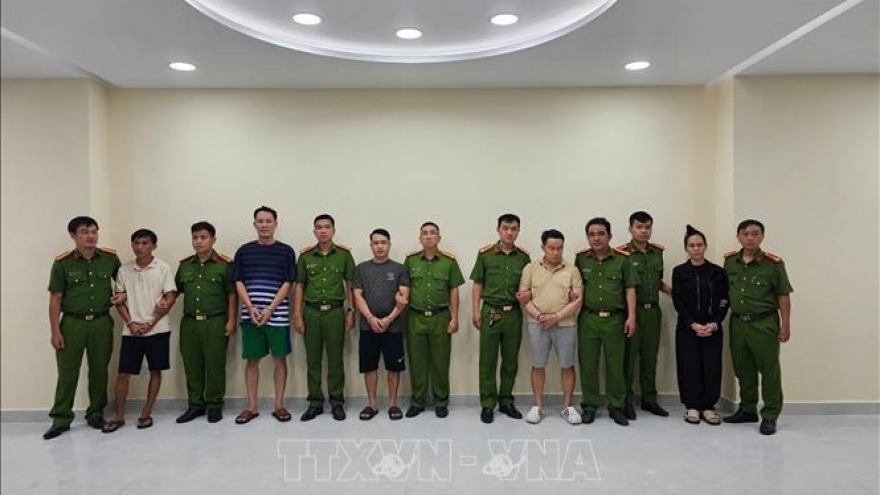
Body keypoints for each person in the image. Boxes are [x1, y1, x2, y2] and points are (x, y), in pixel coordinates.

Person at [44, 216, 123, 440]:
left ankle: (95, 414)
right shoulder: (63, 263)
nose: (90, 236)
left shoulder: (109, 259)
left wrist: (123, 294)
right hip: (72, 324)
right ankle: (61, 419)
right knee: (67, 373)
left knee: (99, 371)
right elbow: (55, 299)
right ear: (73, 235)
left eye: (94, 231)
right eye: (85, 232)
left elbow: (124, 283)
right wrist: (55, 331)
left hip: (101, 322)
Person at [103, 229, 178, 433]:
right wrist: (130, 323)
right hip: (132, 331)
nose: (140, 247)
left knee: (156, 370)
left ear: (154, 246)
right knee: (123, 373)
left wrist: (151, 322)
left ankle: (146, 413)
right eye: (136, 243)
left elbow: (170, 296)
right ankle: (119, 416)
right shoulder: (124, 270)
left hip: (158, 329)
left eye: (145, 243)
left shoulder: (163, 268)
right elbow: (119, 300)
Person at [723, 219, 793, 435]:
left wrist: (786, 324)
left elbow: (783, 294)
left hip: (764, 323)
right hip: (738, 323)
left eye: (755, 234)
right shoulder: (730, 262)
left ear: (762, 236)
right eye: (745, 234)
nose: (750, 238)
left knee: (769, 370)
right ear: (738, 237)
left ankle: (770, 415)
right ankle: (747, 409)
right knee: (743, 368)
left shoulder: (773, 264)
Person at [232, 206, 296, 425]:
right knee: (252, 361)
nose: (264, 225)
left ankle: (279, 405)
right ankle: (251, 406)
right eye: (260, 221)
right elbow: (238, 281)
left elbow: (288, 282)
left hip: (278, 315)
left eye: (268, 221)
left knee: (280, 360)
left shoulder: (286, 251)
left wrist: (270, 308)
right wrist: (250, 307)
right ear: (254, 224)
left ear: (276, 224)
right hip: (251, 315)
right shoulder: (244, 251)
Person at [516, 229, 583, 425]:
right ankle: (537, 406)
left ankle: (567, 407)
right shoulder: (530, 268)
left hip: (565, 324)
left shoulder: (572, 270)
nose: (556, 252)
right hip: (537, 324)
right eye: (551, 248)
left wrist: (557, 317)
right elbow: (524, 297)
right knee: (538, 365)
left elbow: (577, 300)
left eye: (559, 248)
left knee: (567, 365)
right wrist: (539, 316)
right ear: (543, 247)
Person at [575, 217, 637, 426]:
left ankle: (616, 406)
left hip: (615, 320)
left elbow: (630, 288)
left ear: (609, 236)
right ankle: (589, 406)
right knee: (588, 365)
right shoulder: (581, 259)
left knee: (615, 365)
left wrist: (631, 316)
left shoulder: (623, 260)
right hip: (588, 319)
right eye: (592, 234)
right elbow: (576, 288)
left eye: (601, 233)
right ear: (587, 237)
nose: (596, 238)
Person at [294, 214, 356, 421]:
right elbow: (300, 286)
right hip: (311, 312)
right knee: (313, 360)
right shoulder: (305, 257)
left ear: (333, 230)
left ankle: (337, 402)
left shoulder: (344, 255)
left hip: (335, 313)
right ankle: (315, 403)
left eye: (327, 227)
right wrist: (297, 315)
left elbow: (350, 285)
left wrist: (351, 311)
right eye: (319, 227)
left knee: (336, 360)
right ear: (314, 231)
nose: (323, 231)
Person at [174, 221, 238, 424]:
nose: (199, 241)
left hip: (215, 321)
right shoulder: (185, 265)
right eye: (195, 237)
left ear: (213, 239)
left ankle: (214, 404)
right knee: (191, 364)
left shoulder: (224, 265)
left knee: (215, 364)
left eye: (203, 237)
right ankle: (195, 405)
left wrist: (231, 320)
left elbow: (232, 294)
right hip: (190, 322)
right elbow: (174, 291)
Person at [471, 214, 531, 423]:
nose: (509, 232)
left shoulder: (523, 258)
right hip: (490, 311)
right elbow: (478, 283)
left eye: (513, 229)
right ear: (498, 230)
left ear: (518, 231)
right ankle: (488, 404)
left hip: (513, 313)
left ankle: (506, 401)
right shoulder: (485, 254)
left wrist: (527, 295)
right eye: (505, 228)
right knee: (487, 361)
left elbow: (528, 286)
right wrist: (475, 311)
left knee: (510, 360)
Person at [402, 222, 465, 418]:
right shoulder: (410, 261)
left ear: (439, 238)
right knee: (417, 361)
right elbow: (404, 288)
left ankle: (441, 402)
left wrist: (454, 318)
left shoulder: (449, 262)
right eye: (425, 233)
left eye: (433, 233)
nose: (429, 236)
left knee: (440, 361)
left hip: (440, 317)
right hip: (415, 316)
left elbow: (454, 291)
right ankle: (418, 402)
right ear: (420, 238)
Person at [671, 225, 729, 425]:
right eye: (691, 245)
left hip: (712, 329)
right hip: (688, 329)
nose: (696, 249)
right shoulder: (679, 272)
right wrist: (693, 324)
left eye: (699, 245)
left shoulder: (718, 272)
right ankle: (692, 406)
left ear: (705, 246)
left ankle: (709, 407)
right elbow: (678, 301)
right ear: (686, 248)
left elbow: (724, 300)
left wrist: (715, 323)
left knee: (711, 367)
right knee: (689, 366)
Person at [351, 228, 410, 421]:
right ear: (371, 245)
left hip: (393, 326)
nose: (380, 246)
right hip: (368, 326)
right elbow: (357, 296)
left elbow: (403, 297)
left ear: (389, 244)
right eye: (376, 243)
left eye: (383, 242)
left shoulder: (400, 269)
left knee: (394, 367)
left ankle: (393, 404)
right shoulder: (361, 269)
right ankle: (372, 404)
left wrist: (388, 319)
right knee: (369, 366)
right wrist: (370, 318)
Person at [619, 211, 672, 419]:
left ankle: (649, 400)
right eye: (639, 227)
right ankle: (626, 401)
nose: (643, 231)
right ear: (630, 229)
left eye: (647, 227)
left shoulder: (657, 252)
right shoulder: (622, 254)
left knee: (650, 358)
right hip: (632, 312)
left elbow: (657, 281)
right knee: (629, 359)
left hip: (653, 312)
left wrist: (672, 291)